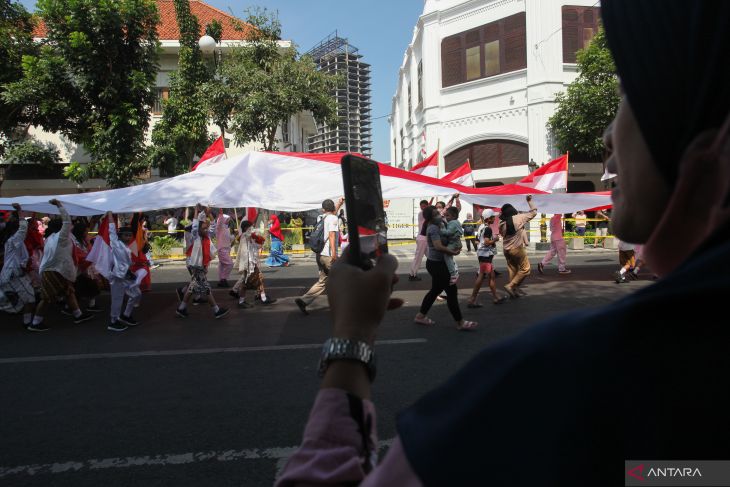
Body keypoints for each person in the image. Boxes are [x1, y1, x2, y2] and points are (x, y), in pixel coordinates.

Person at [276, 2, 730, 484]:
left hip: (458, 269)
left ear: (713, 149)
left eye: (627, 97)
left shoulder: (557, 379)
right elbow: (683, 474)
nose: (608, 136)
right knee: (457, 284)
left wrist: (350, 340)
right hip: (456, 262)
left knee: (462, 285)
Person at [28, 200, 94, 331]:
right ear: (62, 228)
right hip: (54, 270)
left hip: (56, 270)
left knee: (69, 292)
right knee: (47, 298)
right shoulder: (61, 237)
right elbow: (67, 220)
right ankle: (35, 323)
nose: (71, 227)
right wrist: (59, 206)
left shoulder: (50, 238)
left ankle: (78, 315)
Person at [413, 205, 476, 331]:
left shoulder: (440, 224)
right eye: (436, 214)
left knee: (435, 290)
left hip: (437, 263)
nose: (440, 215)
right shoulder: (433, 228)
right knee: (452, 292)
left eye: (439, 213)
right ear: (431, 218)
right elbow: (438, 246)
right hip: (437, 265)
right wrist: (452, 252)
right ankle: (460, 322)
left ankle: (420, 316)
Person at [175, 204, 229, 319]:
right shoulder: (196, 236)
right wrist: (196, 210)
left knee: (193, 286)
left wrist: (209, 213)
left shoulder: (206, 236)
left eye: (206, 228)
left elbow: (213, 226)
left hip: (198, 264)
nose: (206, 229)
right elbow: (195, 224)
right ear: (198, 230)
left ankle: (181, 308)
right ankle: (216, 310)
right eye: (204, 228)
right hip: (196, 264)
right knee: (205, 287)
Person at [294, 198, 343, 315]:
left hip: (319, 254)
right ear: (332, 208)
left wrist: (339, 204)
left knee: (323, 281)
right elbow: (331, 235)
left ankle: (304, 300)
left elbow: (331, 215)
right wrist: (334, 254)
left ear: (323, 209)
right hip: (328, 255)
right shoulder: (333, 218)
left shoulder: (321, 218)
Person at [0, 203, 36, 326]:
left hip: (13, 274)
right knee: (30, 298)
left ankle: (27, 321)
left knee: (25, 297)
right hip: (12, 274)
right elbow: (23, 229)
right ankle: (27, 322)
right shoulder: (13, 240)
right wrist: (20, 212)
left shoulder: (12, 241)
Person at [105, 212, 142, 332]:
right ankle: (113, 321)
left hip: (126, 276)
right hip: (117, 276)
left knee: (136, 294)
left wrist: (136, 266)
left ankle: (126, 315)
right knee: (117, 299)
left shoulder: (126, 247)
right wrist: (110, 214)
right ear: (119, 236)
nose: (128, 237)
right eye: (126, 235)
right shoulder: (116, 244)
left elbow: (127, 262)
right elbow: (111, 230)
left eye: (130, 235)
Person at [229, 220, 277, 307]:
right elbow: (248, 243)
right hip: (248, 264)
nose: (252, 228)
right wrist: (255, 234)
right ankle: (242, 301)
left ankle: (262, 298)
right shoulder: (245, 236)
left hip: (252, 262)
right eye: (250, 227)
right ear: (246, 228)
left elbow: (255, 246)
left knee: (259, 279)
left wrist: (260, 241)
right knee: (246, 282)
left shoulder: (248, 237)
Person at [499, 195, 537, 298]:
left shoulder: (501, 223)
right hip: (517, 248)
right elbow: (534, 212)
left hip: (506, 250)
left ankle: (513, 291)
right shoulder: (519, 218)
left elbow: (502, 234)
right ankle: (511, 286)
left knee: (513, 269)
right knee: (526, 269)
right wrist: (529, 201)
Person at [467, 208, 505, 307]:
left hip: (483, 254)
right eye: (493, 217)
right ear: (488, 219)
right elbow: (487, 242)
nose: (494, 219)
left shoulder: (481, 227)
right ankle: (472, 299)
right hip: (485, 255)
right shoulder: (488, 229)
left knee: (491, 276)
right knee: (483, 276)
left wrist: (482, 246)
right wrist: (495, 239)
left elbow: (477, 241)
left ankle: (496, 296)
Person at [440, 206, 463, 284]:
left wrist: (441, 229)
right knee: (449, 257)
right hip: (456, 243)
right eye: (445, 215)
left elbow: (448, 232)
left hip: (453, 243)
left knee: (447, 256)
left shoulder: (452, 223)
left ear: (453, 216)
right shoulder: (455, 222)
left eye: (448, 215)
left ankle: (453, 274)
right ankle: (453, 272)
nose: (446, 217)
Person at [407, 199, 429, 281]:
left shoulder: (426, 213)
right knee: (418, 257)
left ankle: (437, 272)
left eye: (424, 206)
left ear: (427, 206)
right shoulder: (422, 213)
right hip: (422, 239)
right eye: (421, 206)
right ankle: (412, 274)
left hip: (426, 239)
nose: (422, 207)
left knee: (432, 257)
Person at [214, 208, 235, 286]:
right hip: (222, 249)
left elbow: (230, 239)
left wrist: (233, 236)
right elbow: (220, 220)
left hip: (227, 248)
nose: (228, 220)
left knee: (222, 265)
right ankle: (223, 278)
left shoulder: (226, 228)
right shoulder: (219, 228)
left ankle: (222, 280)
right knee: (230, 264)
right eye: (227, 219)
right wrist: (221, 213)